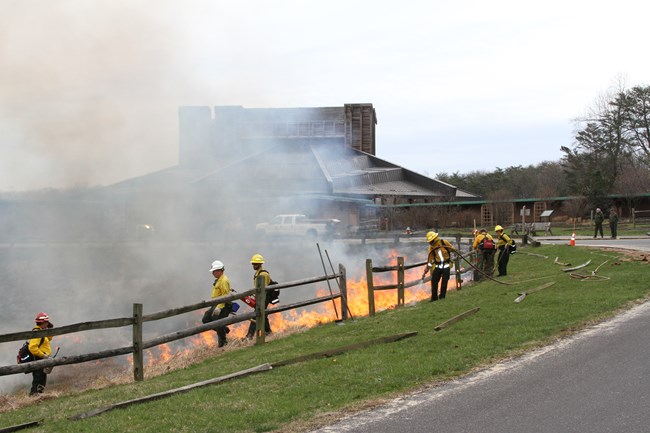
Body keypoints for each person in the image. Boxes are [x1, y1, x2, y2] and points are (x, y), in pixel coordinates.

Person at [421, 231, 458, 301]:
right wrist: (427, 269)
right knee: (434, 281)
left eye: (431, 241)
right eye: (430, 241)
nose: (430, 243)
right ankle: (434, 297)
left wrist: (454, 250)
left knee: (444, 282)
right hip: (438, 266)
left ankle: (442, 297)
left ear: (435, 239)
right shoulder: (431, 248)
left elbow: (452, 249)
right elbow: (430, 260)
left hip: (446, 266)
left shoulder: (444, 242)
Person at [246, 254, 273, 339]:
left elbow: (263, 289)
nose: (254, 265)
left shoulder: (263, 274)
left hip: (264, 298)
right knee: (263, 315)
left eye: (256, 264)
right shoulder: (257, 273)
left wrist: (260, 299)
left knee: (256, 314)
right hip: (260, 297)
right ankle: (268, 332)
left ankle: (249, 336)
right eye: (253, 263)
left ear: (260, 264)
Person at [208, 260, 233, 348]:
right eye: (213, 272)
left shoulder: (224, 281)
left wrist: (219, 308)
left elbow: (225, 296)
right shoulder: (218, 280)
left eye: (215, 271)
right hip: (215, 304)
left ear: (220, 270)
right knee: (206, 320)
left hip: (222, 306)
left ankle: (223, 343)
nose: (213, 273)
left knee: (218, 322)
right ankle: (224, 329)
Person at [28, 312, 53, 396]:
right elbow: (32, 347)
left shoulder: (42, 332)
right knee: (38, 379)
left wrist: (49, 329)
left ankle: (38, 396)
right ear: (42, 322)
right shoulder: (37, 333)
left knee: (42, 379)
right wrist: (43, 355)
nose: (47, 323)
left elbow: (48, 339)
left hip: (42, 358)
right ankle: (33, 397)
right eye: (46, 322)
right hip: (39, 358)